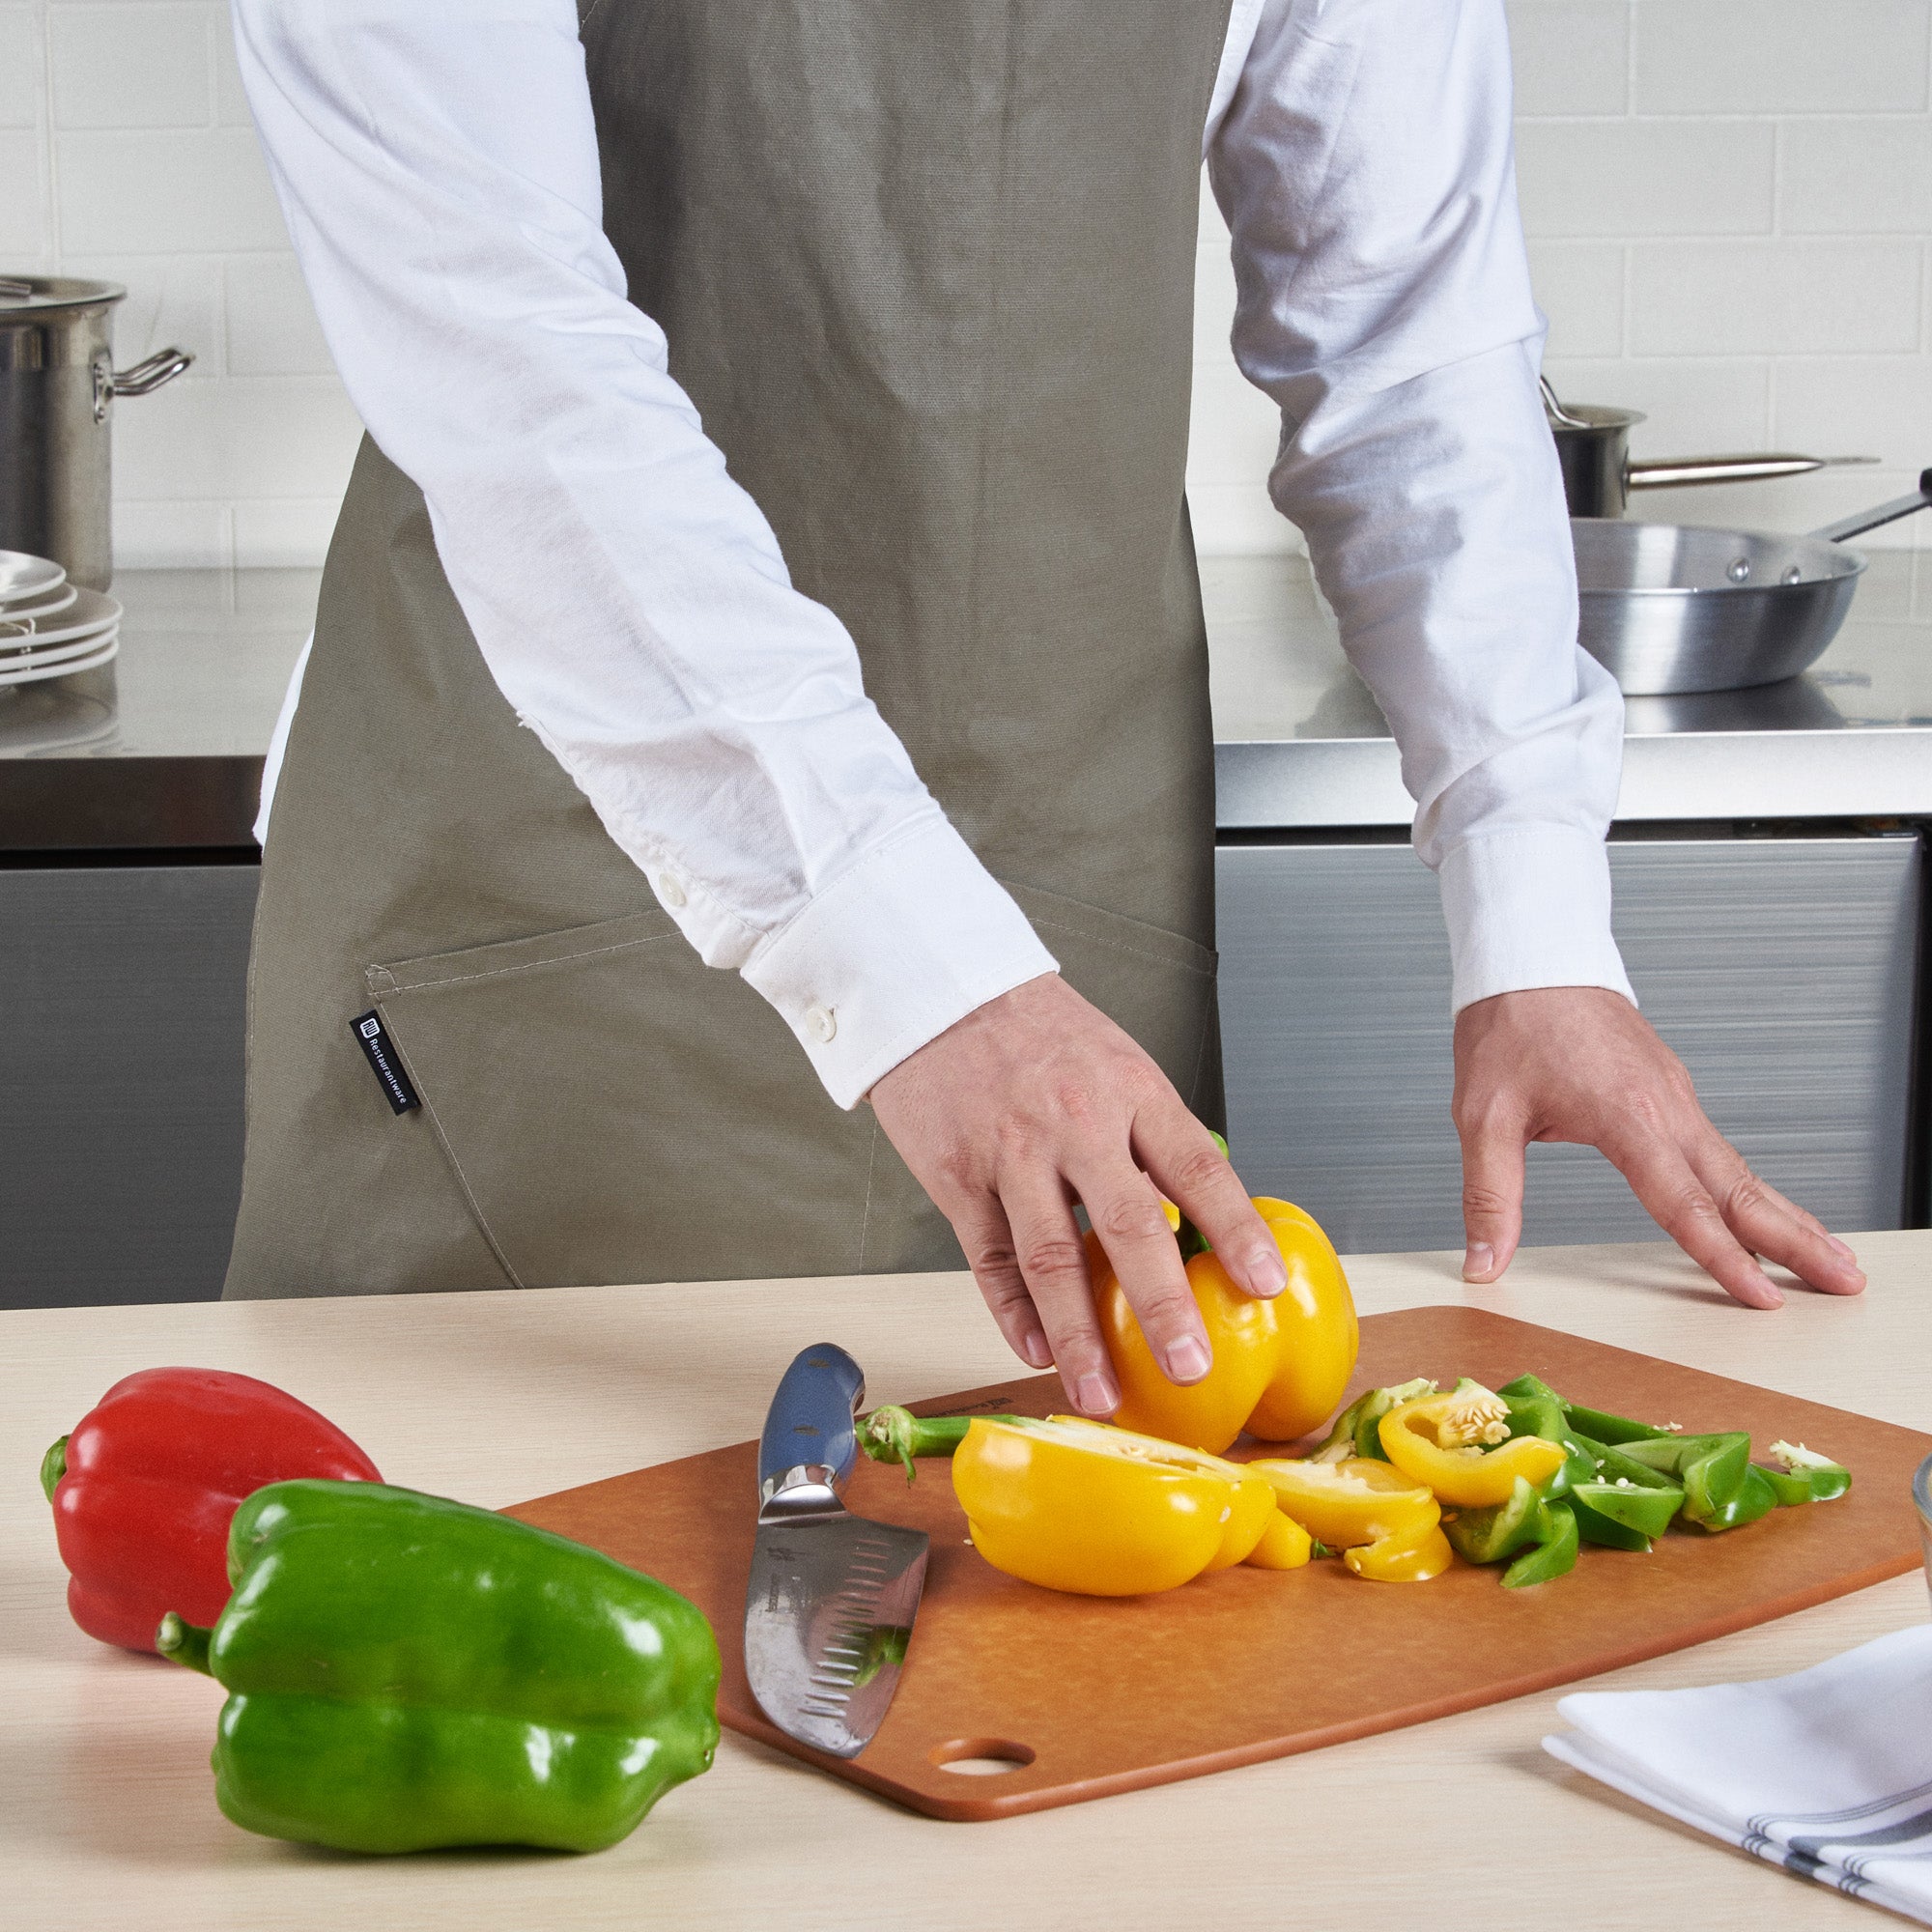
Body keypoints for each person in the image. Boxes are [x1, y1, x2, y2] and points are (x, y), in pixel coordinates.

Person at [222, 0, 1863, 1413]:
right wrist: (919, 970)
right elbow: (514, 371)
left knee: (1074, 1608)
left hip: (1068, 905)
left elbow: (1403, 341)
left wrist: (1534, 918)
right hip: (547, 887)